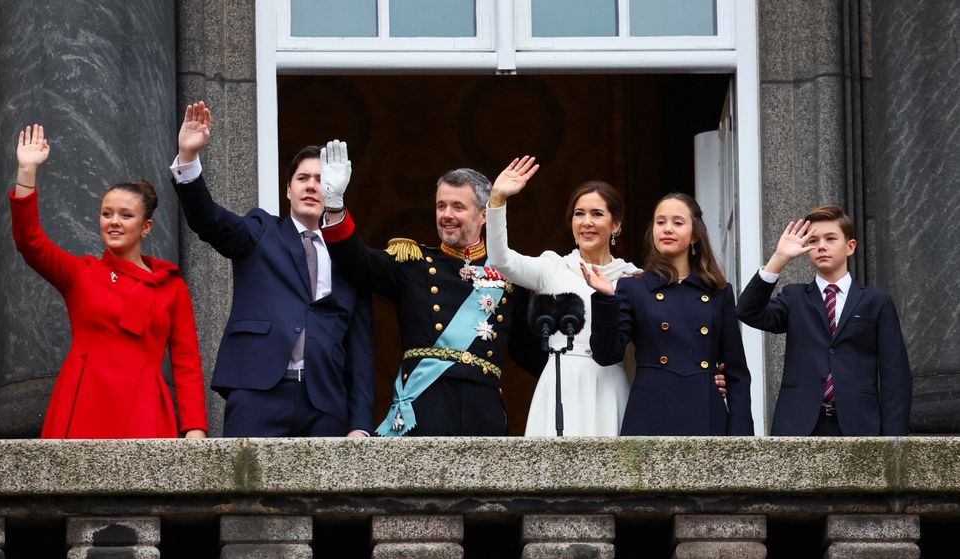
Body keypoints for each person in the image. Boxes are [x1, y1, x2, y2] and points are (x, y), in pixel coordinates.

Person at [172, 101, 374, 437]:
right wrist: (189, 159)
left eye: (322, 180)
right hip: (257, 395)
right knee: (244, 491)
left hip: (325, 402)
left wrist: (361, 424)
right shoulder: (260, 231)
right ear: (288, 190)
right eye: (303, 178)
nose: (311, 186)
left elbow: (361, 348)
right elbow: (208, 221)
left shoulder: (351, 257)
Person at [10, 124, 207, 439]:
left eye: (125, 215)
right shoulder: (81, 274)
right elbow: (29, 242)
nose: (114, 222)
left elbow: (186, 362)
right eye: (106, 213)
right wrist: (26, 171)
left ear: (145, 227)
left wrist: (194, 428)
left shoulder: (171, 286)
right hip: (83, 403)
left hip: (145, 408)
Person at [321, 160, 541, 436]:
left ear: (484, 215)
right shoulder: (412, 263)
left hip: (482, 416)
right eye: (441, 206)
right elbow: (356, 262)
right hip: (423, 412)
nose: (446, 214)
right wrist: (334, 206)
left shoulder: (508, 277)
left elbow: (529, 352)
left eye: (458, 207)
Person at [485, 157, 639, 436]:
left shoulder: (633, 278)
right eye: (579, 214)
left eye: (597, 214)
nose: (586, 222)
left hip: (609, 385)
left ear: (616, 224)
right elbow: (501, 260)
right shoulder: (553, 267)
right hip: (559, 382)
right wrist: (497, 201)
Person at [583, 192, 753, 436]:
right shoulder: (632, 287)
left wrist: (742, 437)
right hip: (651, 411)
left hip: (706, 414)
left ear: (695, 234)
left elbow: (737, 373)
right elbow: (607, 354)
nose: (667, 229)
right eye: (660, 222)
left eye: (678, 222)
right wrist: (605, 299)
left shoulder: (719, 292)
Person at [736, 206, 911, 436]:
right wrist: (778, 259)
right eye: (813, 240)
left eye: (830, 238)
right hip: (799, 424)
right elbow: (748, 311)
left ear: (850, 246)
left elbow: (895, 374)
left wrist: (894, 441)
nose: (821, 246)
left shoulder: (876, 302)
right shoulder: (795, 297)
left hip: (859, 425)